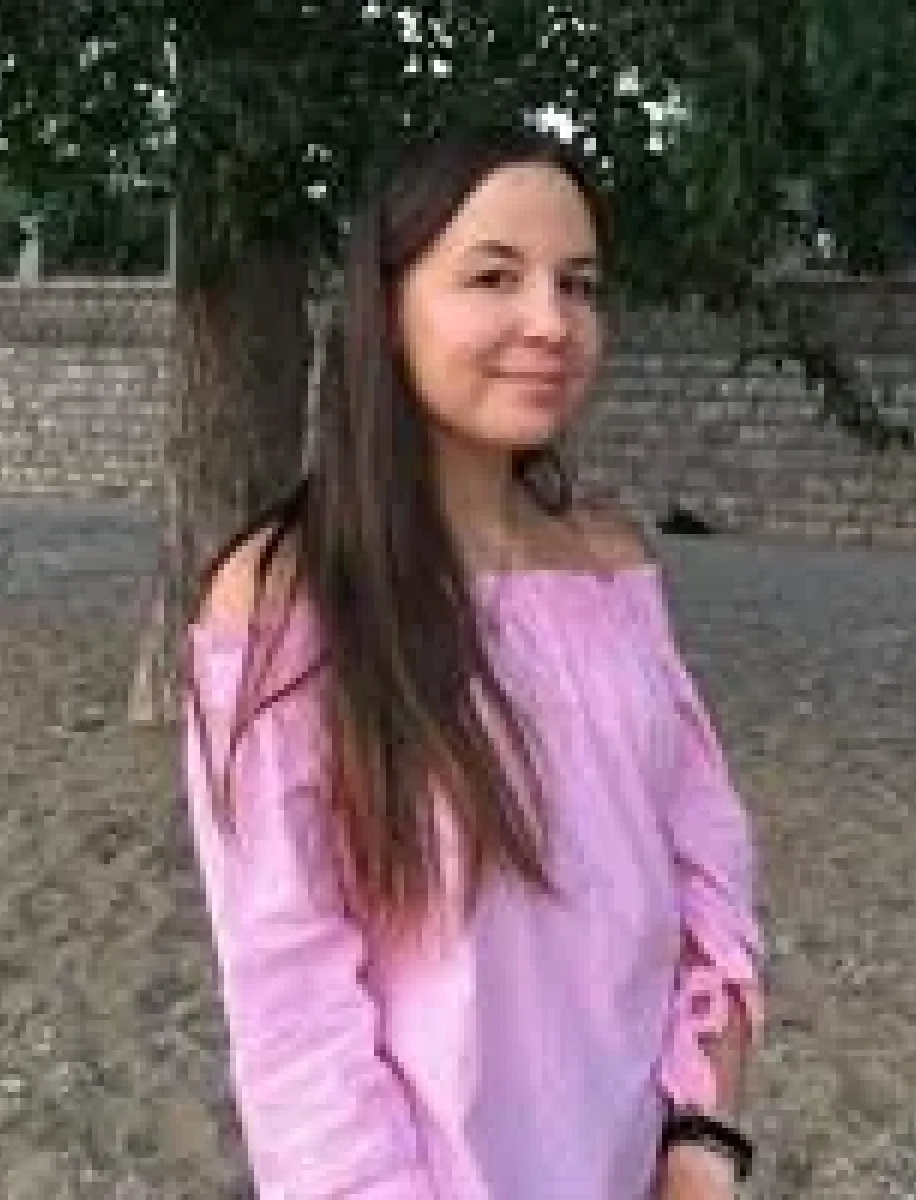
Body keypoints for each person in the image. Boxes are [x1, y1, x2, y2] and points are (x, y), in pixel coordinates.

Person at [179, 126, 765, 1199]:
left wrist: (702, 1133)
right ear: (388, 306)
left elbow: (707, 870)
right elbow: (293, 1005)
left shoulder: (612, 567)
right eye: (495, 276)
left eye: (579, 284)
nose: (552, 321)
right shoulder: (285, 599)